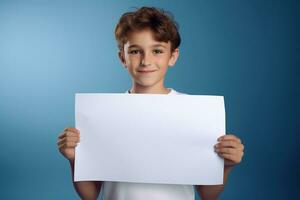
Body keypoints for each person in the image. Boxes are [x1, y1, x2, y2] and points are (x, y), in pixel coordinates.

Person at [57, 7, 244, 200]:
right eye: (136, 51)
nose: (146, 61)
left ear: (173, 56)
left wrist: (226, 166)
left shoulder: (194, 114)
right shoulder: (104, 116)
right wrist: (75, 159)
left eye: (157, 51)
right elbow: (90, 195)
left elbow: (207, 194)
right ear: (123, 57)